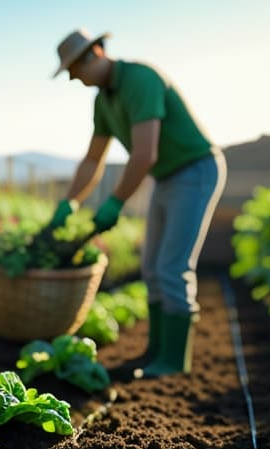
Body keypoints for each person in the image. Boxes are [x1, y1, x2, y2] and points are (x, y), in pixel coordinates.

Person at [48, 28, 226, 377]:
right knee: (151, 268)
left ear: (95, 54)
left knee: (172, 267)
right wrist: (70, 203)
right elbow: (92, 160)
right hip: (166, 177)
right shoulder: (103, 101)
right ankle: (156, 352)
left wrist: (115, 202)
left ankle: (174, 364)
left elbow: (145, 154)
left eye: (74, 68)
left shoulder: (139, 79)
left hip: (195, 170)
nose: (72, 77)